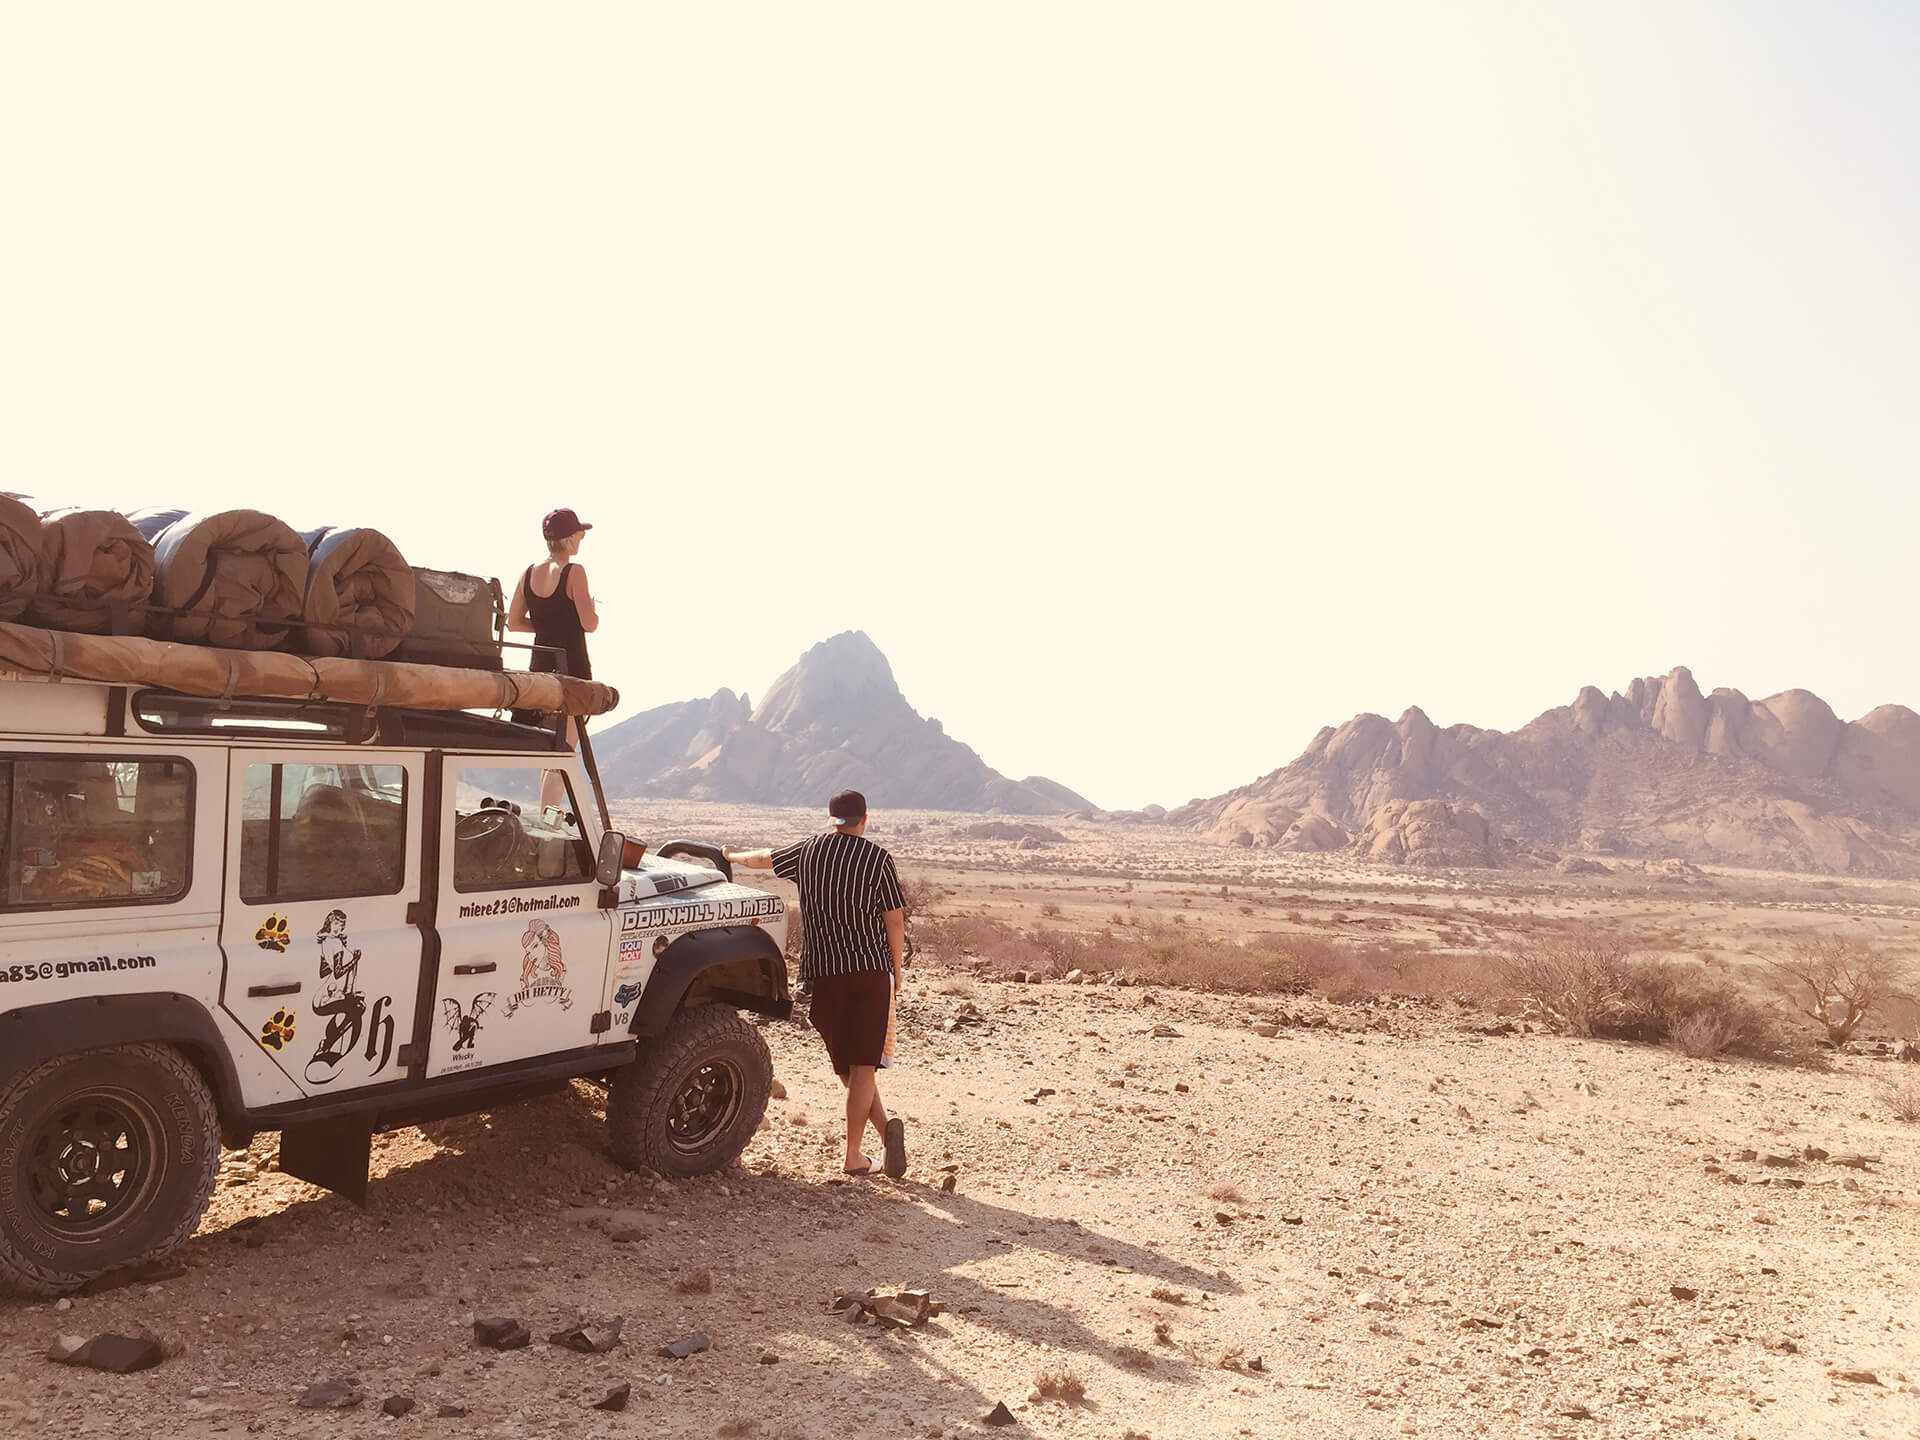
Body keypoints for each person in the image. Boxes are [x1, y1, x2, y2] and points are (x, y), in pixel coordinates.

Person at [725, 790, 908, 1179]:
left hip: (823, 975)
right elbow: (894, 920)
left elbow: (762, 859)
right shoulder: (877, 859)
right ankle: (854, 1155)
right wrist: (897, 971)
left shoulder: (809, 852)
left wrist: (732, 856)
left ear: (831, 819)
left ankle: (885, 1132)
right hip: (869, 971)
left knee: (848, 1066)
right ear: (865, 818)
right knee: (862, 1065)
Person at [507, 507, 598, 808]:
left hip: (540, 668)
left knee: (549, 751)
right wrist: (590, 608)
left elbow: (514, 623)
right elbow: (590, 624)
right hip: (571, 669)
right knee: (565, 750)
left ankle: (547, 812)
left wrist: (547, 626)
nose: (582, 540)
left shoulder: (527, 573)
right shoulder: (575, 572)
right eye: (580, 535)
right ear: (570, 539)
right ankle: (549, 818)